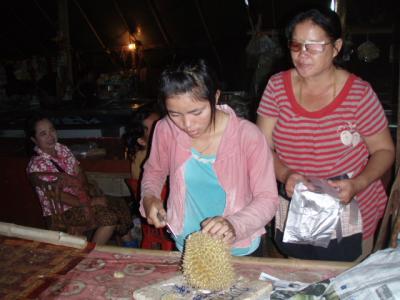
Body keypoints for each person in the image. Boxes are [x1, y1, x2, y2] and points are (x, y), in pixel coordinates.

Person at [256, 8, 395, 261]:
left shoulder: (359, 94)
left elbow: (384, 151)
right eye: (296, 45)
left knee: (346, 282)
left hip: (351, 209)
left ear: (336, 47)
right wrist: (285, 174)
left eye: (314, 46)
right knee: (301, 281)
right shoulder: (277, 86)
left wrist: (358, 184)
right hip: (298, 209)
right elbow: (261, 146)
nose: (302, 54)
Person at [140, 59, 279, 256]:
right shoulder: (165, 129)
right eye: (175, 114)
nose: (187, 124)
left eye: (197, 112)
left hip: (238, 248)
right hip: (187, 243)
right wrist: (150, 196)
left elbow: (268, 199)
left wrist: (233, 225)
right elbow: (154, 171)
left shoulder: (247, 136)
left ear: (215, 97)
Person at [26, 115, 132, 245]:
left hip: (82, 200)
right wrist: (91, 202)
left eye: (52, 130)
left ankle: (131, 246)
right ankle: (90, 256)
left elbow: (78, 170)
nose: (50, 136)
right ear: (34, 140)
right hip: (62, 212)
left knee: (120, 204)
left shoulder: (62, 149)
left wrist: (86, 190)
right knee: (109, 217)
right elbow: (56, 196)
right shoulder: (37, 164)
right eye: (43, 134)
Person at [124, 103, 161, 183]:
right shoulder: (146, 158)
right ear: (142, 141)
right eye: (154, 130)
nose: (162, 132)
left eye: (161, 126)